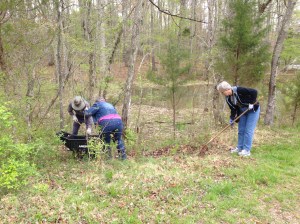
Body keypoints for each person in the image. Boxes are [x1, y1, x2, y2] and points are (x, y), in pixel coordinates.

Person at [216, 81, 260, 157]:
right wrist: (232, 118)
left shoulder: (239, 90)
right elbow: (233, 109)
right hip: (242, 111)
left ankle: (246, 150)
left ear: (227, 89)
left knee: (248, 131)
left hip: (253, 110)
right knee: (241, 130)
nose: (223, 94)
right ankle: (240, 148)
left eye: (223, 92)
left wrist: (252, 103)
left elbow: (254, 92)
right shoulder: (228, 99)